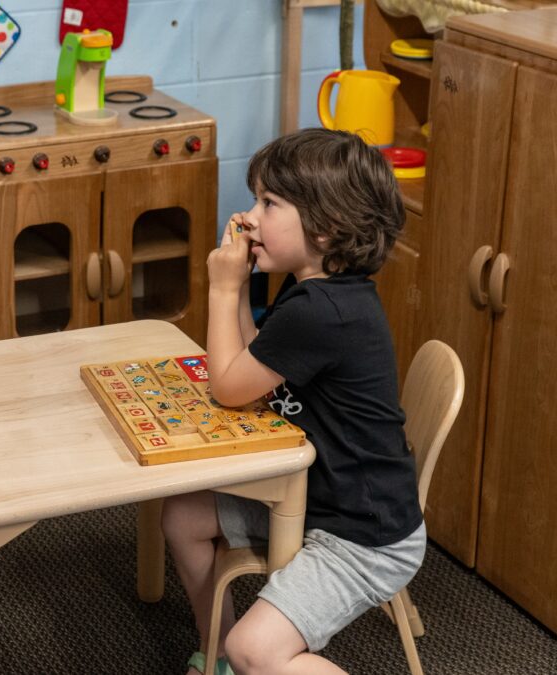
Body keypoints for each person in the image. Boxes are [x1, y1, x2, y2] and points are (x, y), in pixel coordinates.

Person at [161, 128, 425, 675]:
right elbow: (251, 364)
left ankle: (239, 654)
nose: (250, 215)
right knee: (185, 513)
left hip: (362, 534)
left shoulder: (321, 310)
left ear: (326, 230)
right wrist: (240, 289)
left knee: (257, 652)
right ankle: (218, 652)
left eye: (270, 202)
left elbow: (228, 388)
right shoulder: (314, 288)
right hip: (314, 498)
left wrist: (223, 288)